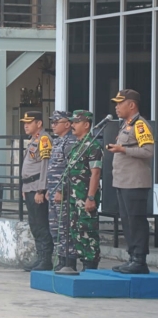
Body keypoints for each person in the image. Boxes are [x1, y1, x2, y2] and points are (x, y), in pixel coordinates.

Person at [108, 89, 154, 274]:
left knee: (136, 221)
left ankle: (139, 260)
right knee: (127, 221)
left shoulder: (140, 125)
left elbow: (148, 152)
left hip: (135, 182)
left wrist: (123, 150)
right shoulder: (125, 125)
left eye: (120, 103)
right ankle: (132, 257)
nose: (117, 107)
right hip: (123, 182)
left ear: (132, 105)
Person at [53, 110, 102, 274]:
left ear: (86, 124)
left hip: (85, 196)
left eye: (76, 122)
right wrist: (61, 191)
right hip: (73, 196)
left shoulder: (93, 145)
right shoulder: (76, 146)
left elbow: (95, 173)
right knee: (75, 231)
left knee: (87, 230)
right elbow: (69, 172)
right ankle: (82, 264)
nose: (72, 125)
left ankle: (91, 265)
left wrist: (90, 197)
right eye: (72, 122)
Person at [20, 111, 54, 271]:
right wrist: (24, 188)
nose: (26, 125)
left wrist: (41, 190)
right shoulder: (34, 140)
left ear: (39, 123)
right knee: (34, 224)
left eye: (29, 122)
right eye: (25, 122)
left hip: (37, 189)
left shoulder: (44, 139)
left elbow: (45, 167)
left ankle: (46, 259)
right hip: (29, 187)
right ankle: (41, 257)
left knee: (41, 224)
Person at [45, 111, 76, 271]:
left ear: (67, 124)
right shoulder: (58, 141)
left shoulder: (70, 142)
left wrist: (61, 190)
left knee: (65, 227)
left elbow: (69, 170)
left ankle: (68, 261)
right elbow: (52, 168)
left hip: (63, 192)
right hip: (53, 189)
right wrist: (48, 188)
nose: (53, 125)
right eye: (52, 122)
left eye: (56, 122)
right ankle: (61, 259)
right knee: (55, 227)